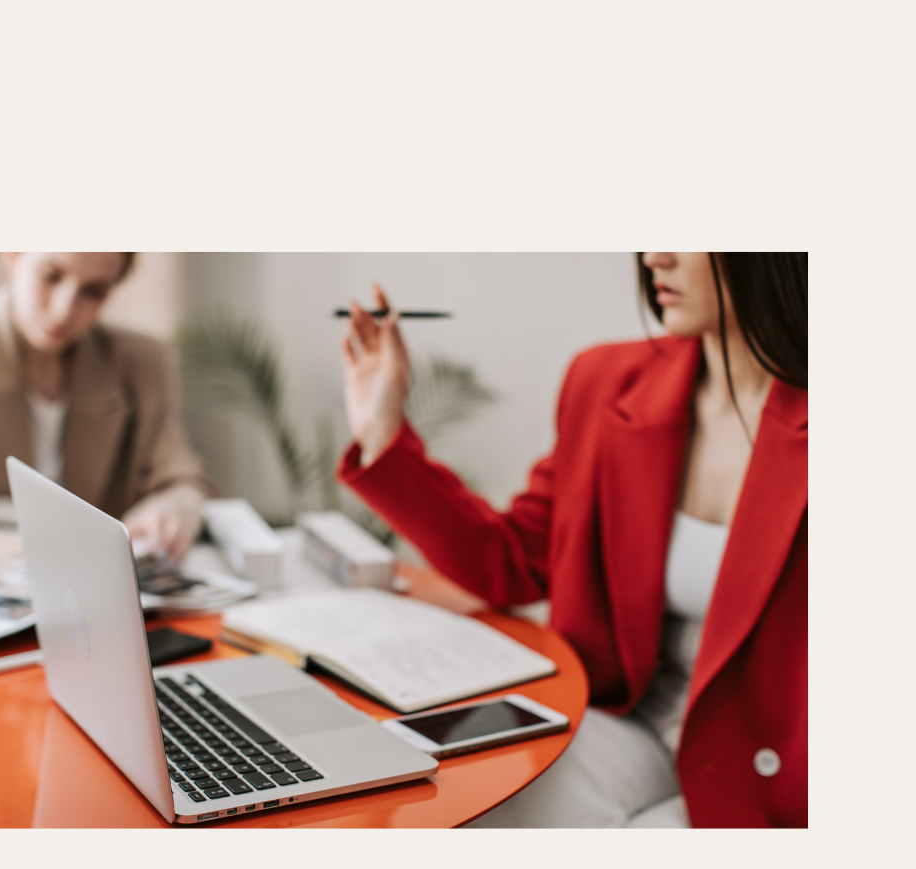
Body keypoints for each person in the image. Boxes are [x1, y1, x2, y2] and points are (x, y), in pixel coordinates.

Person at [338, 254, 807, 828]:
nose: (654, 256)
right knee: (442, 810)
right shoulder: (606, 381)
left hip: (781, 772)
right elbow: (511, 560)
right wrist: (382, 431)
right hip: (629, 724)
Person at [0, 252, 212, 582]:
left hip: (97, 592)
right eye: (51, 276)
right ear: (13, 256)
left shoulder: (139, 363)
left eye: (94, 291)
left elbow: (183, 481)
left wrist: (171, 511)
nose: (64, 310)